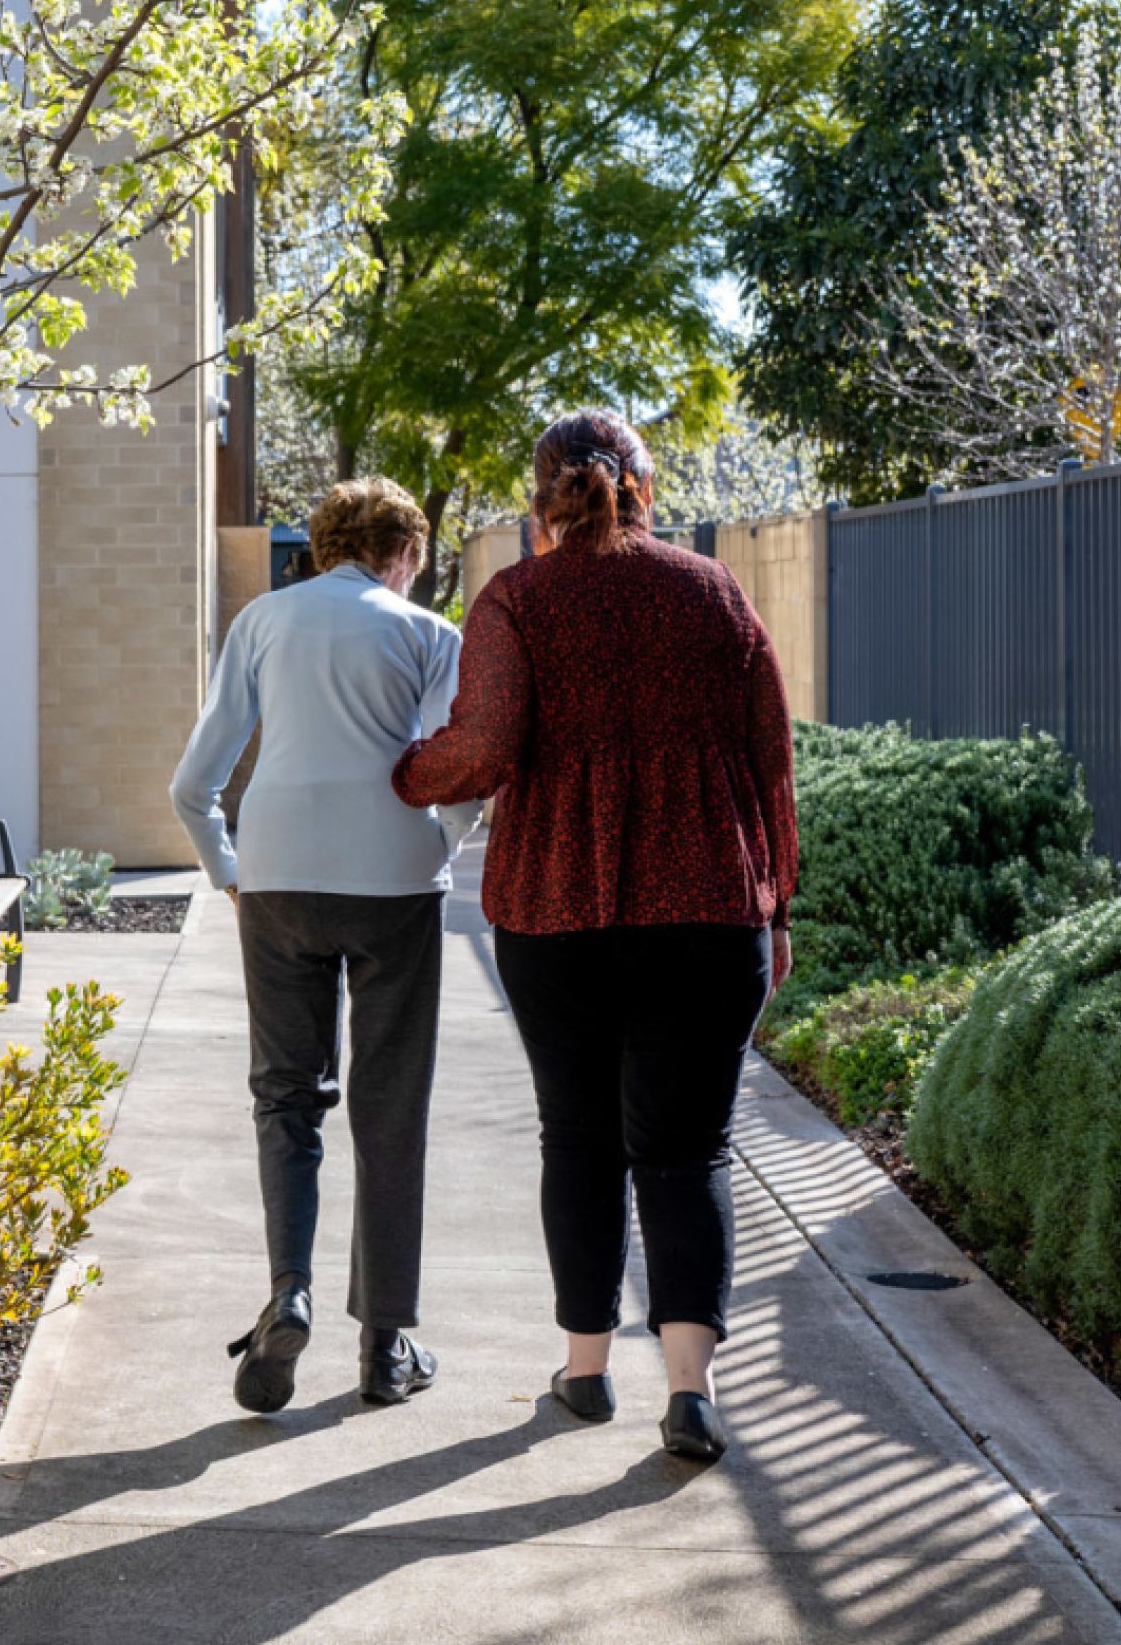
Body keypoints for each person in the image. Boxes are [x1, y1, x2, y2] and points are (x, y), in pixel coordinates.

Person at [393, 412, 797, 1464]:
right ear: (646, 488)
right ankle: (692, 1393)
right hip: (710, 906)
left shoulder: (517, 600)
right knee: (689, 1146)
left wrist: (402, 771)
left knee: (579, 1138)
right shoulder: (713, 592)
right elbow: (770, 758)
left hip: (556, 910)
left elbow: (482, 749)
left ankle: (585, 1371)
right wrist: (777, 901)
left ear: (542, 498)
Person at [169, 477, 467, 1414]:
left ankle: (287, 1292)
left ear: (324, 544)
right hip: (394, 884)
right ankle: (386, 1347)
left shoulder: (263, 620)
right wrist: (436, 845)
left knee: (287, 1095)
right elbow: (462, 772)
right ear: (407, 554)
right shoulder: (430, 636)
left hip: (280, 875)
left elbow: (193, 782)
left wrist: (228, 868)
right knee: (390, 1106)